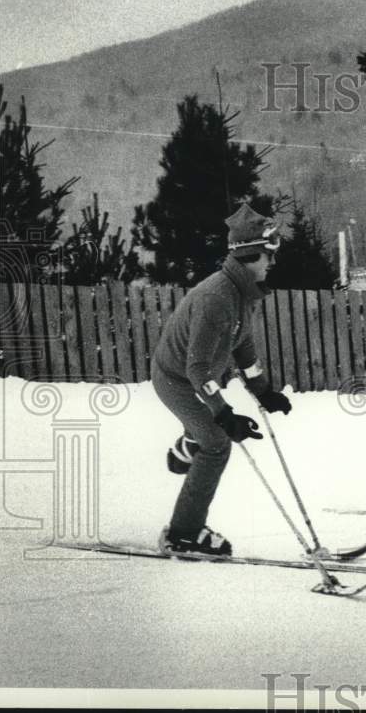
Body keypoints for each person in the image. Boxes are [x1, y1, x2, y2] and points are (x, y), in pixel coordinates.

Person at [151, 204, 292, 556]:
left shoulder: (243, 293)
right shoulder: (217, 297)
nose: (272, 264)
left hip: (199, 378)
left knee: (207, 433)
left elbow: (243, 346)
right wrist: (223, 415)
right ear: (249, 255)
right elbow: (196, 369)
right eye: (267, 256)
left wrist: (265, 392)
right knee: (216, 444)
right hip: (176, 380)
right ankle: (182, 533)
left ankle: (186, 446)